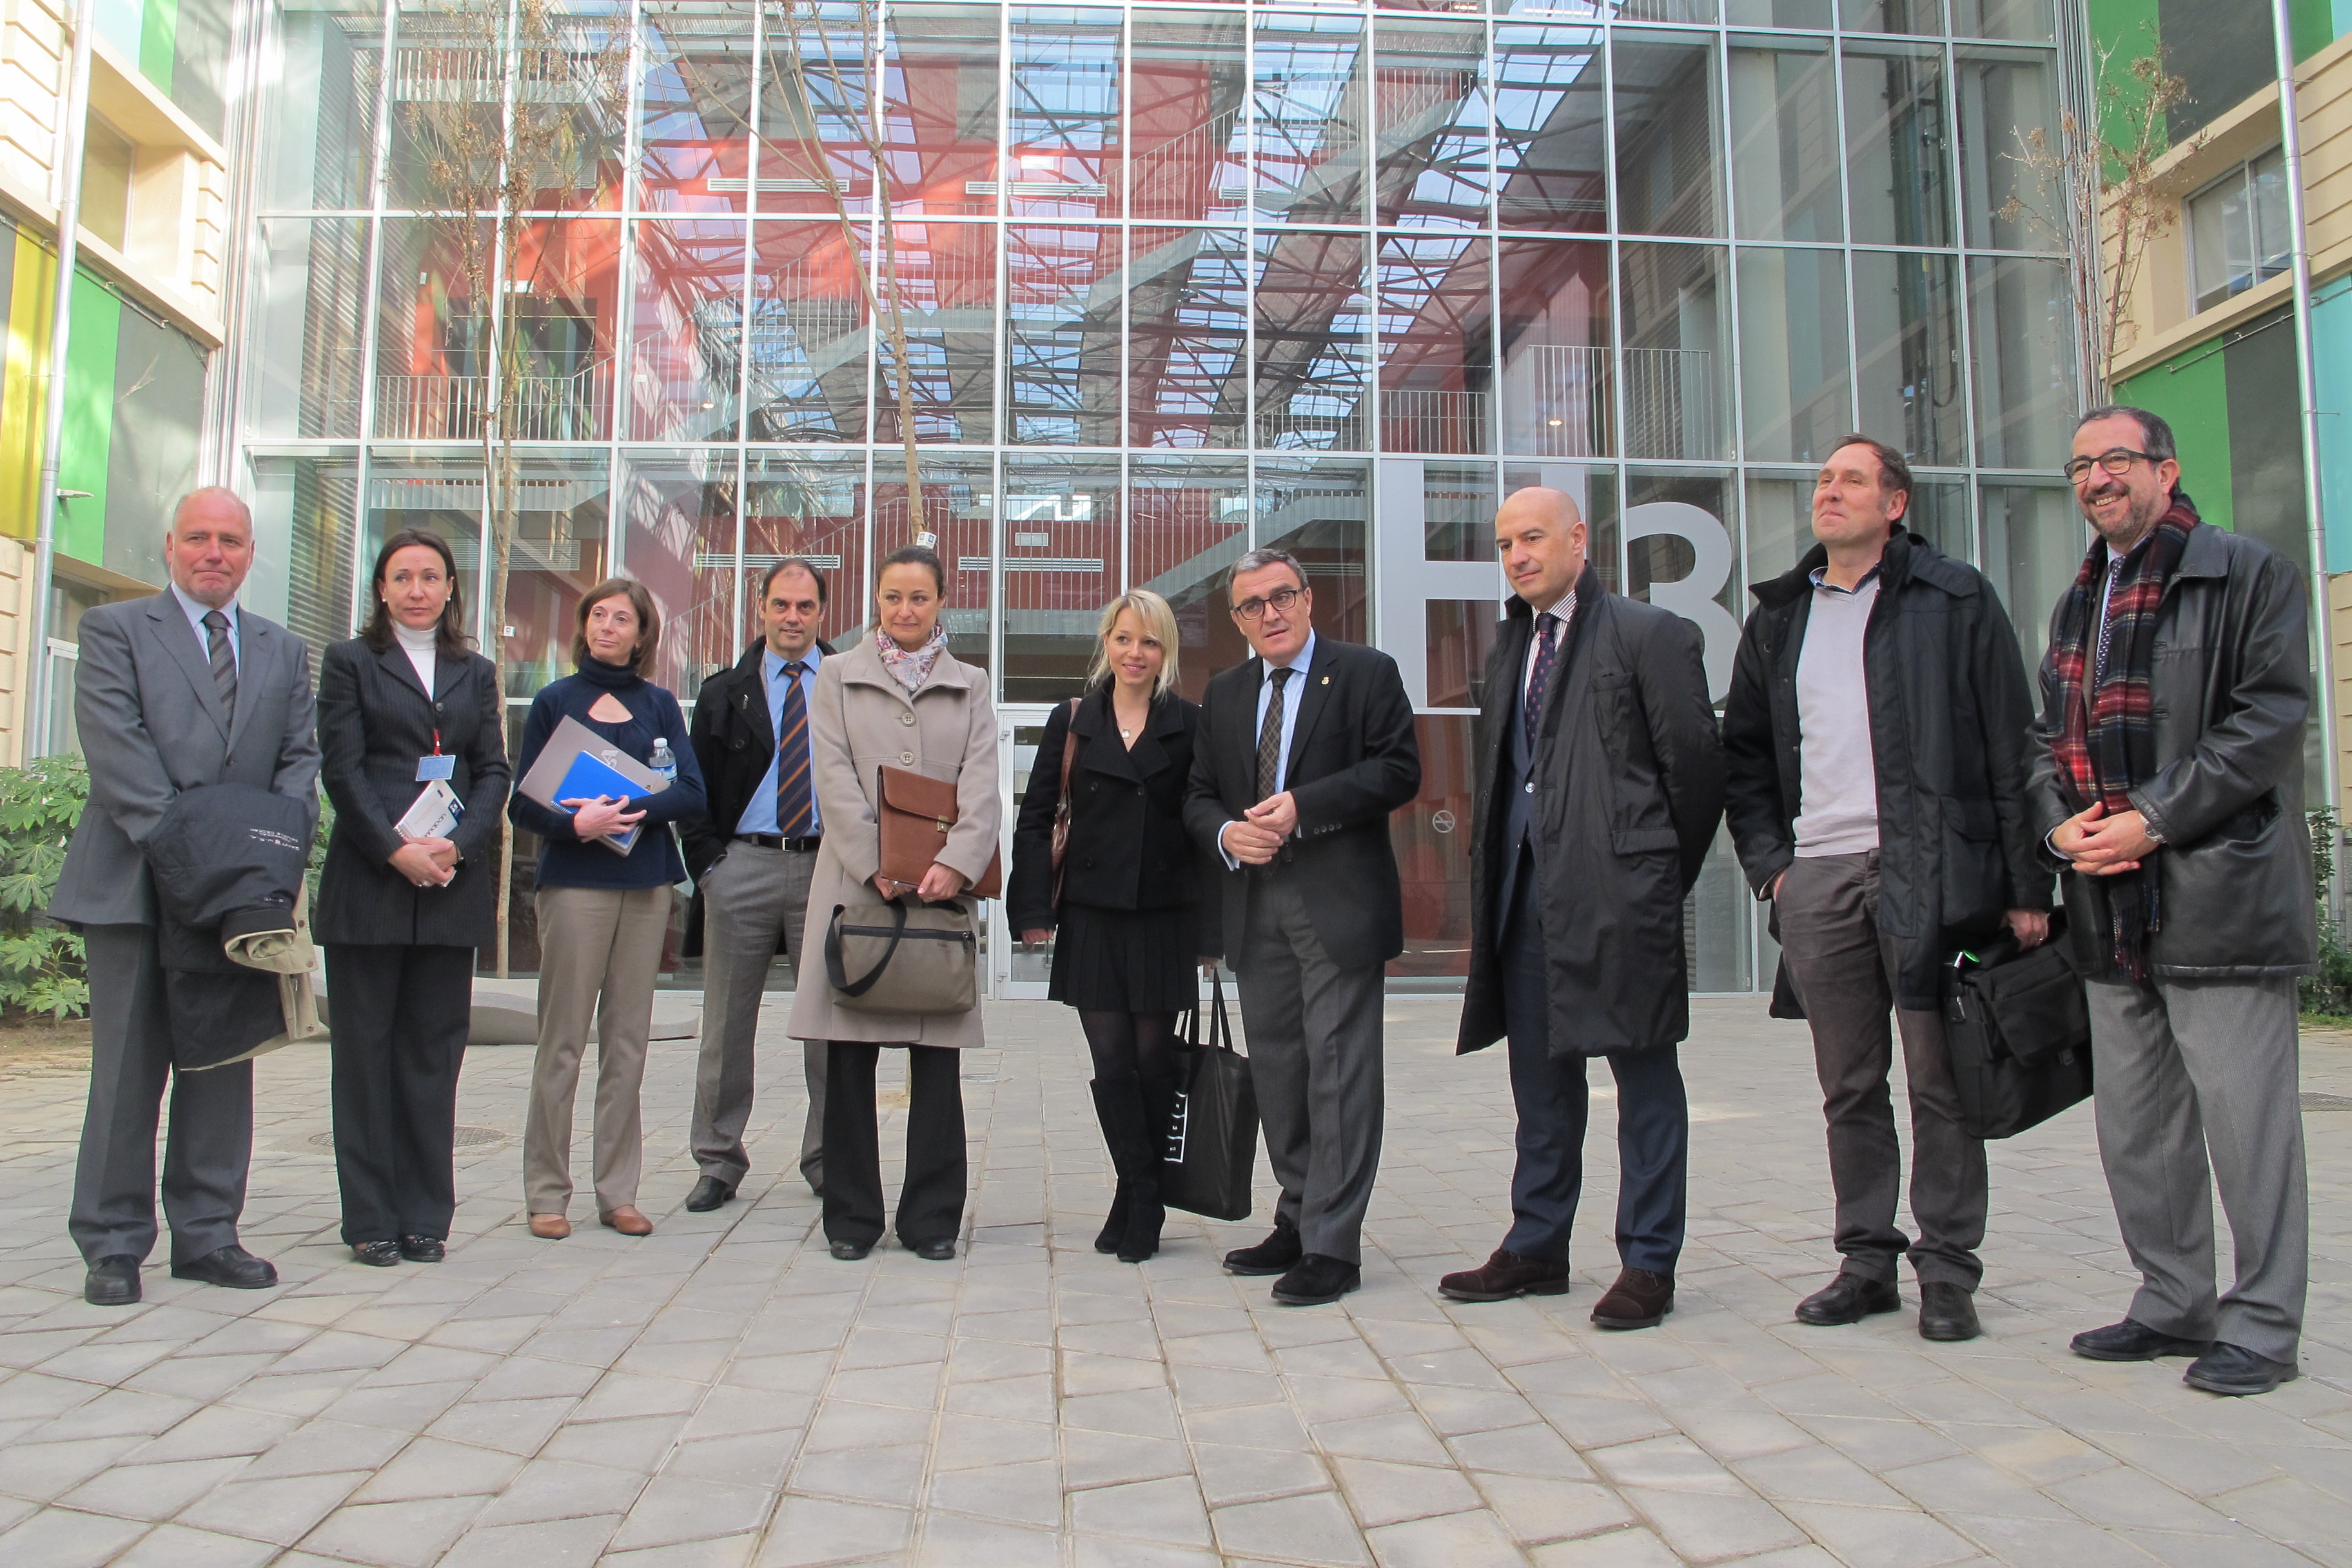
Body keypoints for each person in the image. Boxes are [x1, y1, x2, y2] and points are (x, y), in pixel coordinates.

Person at [1723, 435, 2049, 1344]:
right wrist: (1774, 868)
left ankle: (1947, 1269)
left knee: (1941, 1079)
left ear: (1895, 504)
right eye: (1824, 479)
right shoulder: (1780, 616)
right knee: (1850, 1085)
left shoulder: (1954, 597)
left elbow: (2010, 741)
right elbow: (1743, 753)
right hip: (1818, 876)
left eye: (1852, 480)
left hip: (1931, 868)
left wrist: (2027, 884)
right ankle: (1865, 1261)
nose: (1830, 491)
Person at [2032, 407, 2313, 1397]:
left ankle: (2264, 1326)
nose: (2097, 479)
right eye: (2081, 466)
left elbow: (2269, 720)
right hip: (2108, 903)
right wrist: (2059, 829)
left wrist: (2152, 818)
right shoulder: (2078, 601)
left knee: (2249, 1130)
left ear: (2167, 468)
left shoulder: (2248, 573)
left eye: (2116, 459)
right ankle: (2173, 1300)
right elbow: (2045, 740)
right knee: (2139, 1130)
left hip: (2218, 896)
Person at [1446, 488, 1724, 1328]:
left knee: (1643, 1082)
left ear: (1578, 540)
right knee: (1540, 1085)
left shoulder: (1648, 633)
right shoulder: (1512, 645)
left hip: (1619, 901)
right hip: (1524, 898)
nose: (1517, 556)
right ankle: (1537, 1244)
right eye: (1505, 544)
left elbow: (1695, 772)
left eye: (1532, 537)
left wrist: (1650, 877)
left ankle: (1648, 1261)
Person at [52, 487, 321, 1306]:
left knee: (221, 1064)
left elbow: (299, 762)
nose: (214, 552)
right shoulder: (115, 631)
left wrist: (264, 862)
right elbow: (119, 756)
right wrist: (201, 855)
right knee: (127, 1072)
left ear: (250, 553)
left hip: (237, 898)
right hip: (135, 886)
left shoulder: (283, 649)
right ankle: (113, 1241)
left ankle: (208, 1233)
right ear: (169, 545)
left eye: (230, 540)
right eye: (198, 537)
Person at [1184, 549, 1420, 1306]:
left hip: (1337, 904)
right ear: (1238, 620)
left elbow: (1399, 769)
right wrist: (1227, 833)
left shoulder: (1365, 673)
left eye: (1282, 596)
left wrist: (1304, 808)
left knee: (1339, 1069)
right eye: (1253, 605)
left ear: (1309, 599)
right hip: (1255, 904)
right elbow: (1197, 795)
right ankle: (1295, 1215)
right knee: (1281, 1072)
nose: (1271, 613)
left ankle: (1332, 1243)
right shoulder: (1225, 693)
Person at [786, 546, 1001, 1261]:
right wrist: (878, 863)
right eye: (892, 597)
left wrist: (953, 863)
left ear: (942, 601)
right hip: (857, 888)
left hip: (941, 894)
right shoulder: (837, 676)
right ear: (875, 600)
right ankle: (851, 1219)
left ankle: (931, 1220)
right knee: (848, 1062)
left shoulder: (971, 685)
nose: (905, 610)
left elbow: (982, 786)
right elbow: (832, 777)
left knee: (936, 1065)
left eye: (919, 597)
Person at [314, 529, 511, 1266]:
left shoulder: (475, 670)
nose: (418, 589)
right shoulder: (350, 662)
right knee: (364, 1057)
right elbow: (342, 768)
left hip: (449, 885)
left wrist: (457, 845)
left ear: (452, 586)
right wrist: (395, 848)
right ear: (382, 589)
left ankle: (426, 1214)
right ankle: (370, 1217)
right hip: (371, 883)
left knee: (433, 1056)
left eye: (431, 575)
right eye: (403, 576)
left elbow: (492, 770)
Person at [1008, 589, 1210, 1263]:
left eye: (1149, 641)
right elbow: (1036, 817)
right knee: (1112, 1060)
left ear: (1165, 651)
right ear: (1106, 643)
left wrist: (1212, 931)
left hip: (1164, 914)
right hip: (1091, 913)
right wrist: (1031, 910)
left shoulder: (1190, 723)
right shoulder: (1073, 721)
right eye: (1124, 638)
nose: (1135, 653)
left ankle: (1136, 1198)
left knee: (1154, 1062)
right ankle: (1143, 1191)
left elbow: (1204, 823)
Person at [510, 578, 707, 1240]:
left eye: (622, 618)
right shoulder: (554, 701)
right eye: (598, 614)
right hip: (574, 883)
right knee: (562, 1041)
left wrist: (624, 810)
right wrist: (577, 824)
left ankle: (618, 1192)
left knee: (627, 1043)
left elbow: (691, 792)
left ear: (642, 634)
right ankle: (547, 1193)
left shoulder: (659, 704)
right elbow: (522, 802)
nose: (607, 626)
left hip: (646, 886)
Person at [680, 558, 837, 1212]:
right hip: (742, 864)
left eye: (804, 606)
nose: (792, 617)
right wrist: (710, 867)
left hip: (827, 865)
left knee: (830, 1023)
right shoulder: (724, 692)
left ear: (822, 611)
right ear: (762, 608)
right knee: (725, 1024)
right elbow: (692, 787)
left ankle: (830, 1157)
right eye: (781, 604)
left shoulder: (851, 684)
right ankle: (718, 1160)